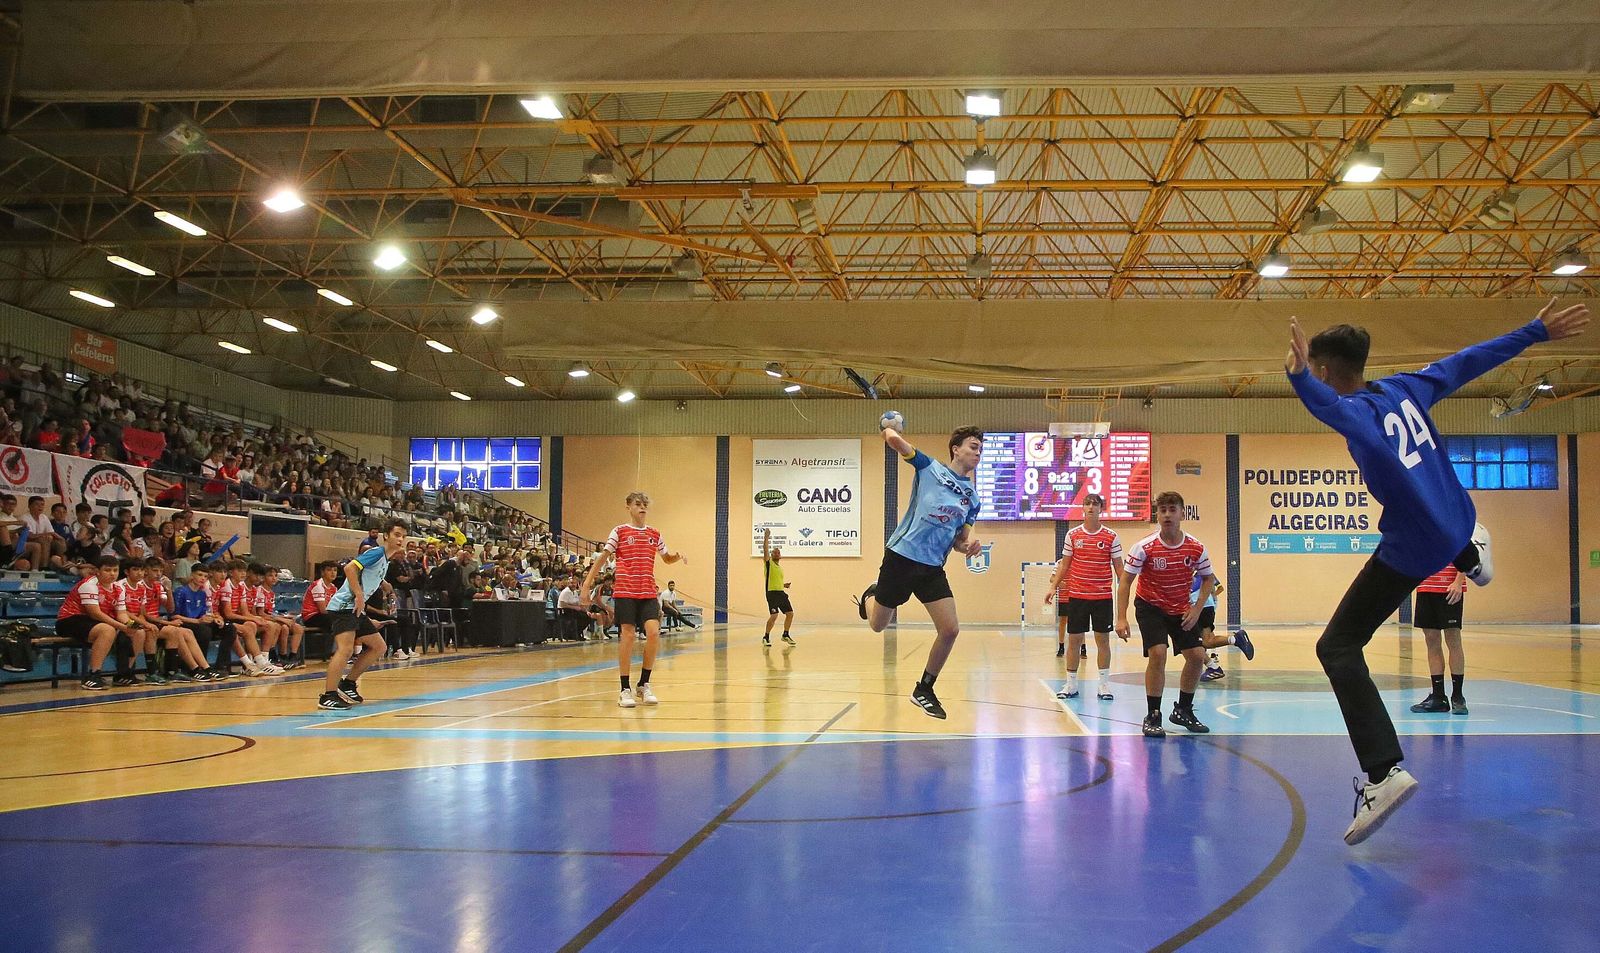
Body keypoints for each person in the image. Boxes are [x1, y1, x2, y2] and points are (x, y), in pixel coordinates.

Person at [1285, 298, 1588, 844]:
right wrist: (1534, 330)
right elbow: (1469, 360)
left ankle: (1384, 773)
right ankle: (1469, 552)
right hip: (1455, 521)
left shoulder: (1358, 413)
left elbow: (1323, 404)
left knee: (1337, 646)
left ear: (1328, 370)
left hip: (1416, 544)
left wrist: (1299, 376)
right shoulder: (1405, 387)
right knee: (1441, 534)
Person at [853, 418, 984, 720]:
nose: (978, 453)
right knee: (878, 625)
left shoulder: (972, 499)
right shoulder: (930, 467)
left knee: (950, 629)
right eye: (973, 447)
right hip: (902, 557)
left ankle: (924, 688)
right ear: (956, 449)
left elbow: (959, 541)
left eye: (980, 449)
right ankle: (871, 596)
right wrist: (888, 427)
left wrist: (969, 547)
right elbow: (894, 441)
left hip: (932, 568)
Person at [1116, 491, 1215, 738]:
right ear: (1157, 515)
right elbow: (1125, 581)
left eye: (1172, 510)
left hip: (1180, 608)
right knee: (1158, 654)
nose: (1167, 515)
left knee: (1197, 656)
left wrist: (1197, 609)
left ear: (1182, 513)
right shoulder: (1144, 547)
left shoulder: (1195, 547)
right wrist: (1121, 617)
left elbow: (1208, 579)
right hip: (1150, 607)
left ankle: (1183, 710)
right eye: (1162, 511)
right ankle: (1153, 715)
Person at [580, 492, 686, 709]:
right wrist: (586, 585)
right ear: (628, 506)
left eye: (645, 504)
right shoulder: (619, 531)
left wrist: (676, 556)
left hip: (647, 592)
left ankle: (644, 684)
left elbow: (666, 558)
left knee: (653, 633)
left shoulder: (654, 533)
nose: (642, 507)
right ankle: (624, 689)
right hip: (626, 592)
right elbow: (602, 559)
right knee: (627, 636)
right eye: (637, 504)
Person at [318, 519, 409, 710]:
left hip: (355, 610)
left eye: (403, 536)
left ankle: (348, 683)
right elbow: (349, 568)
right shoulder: (376, 552)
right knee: (345, 650)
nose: (400, 539)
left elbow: (369, 574)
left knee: (379, 646)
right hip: (344, 606)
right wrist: (359, 594)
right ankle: (328, 695)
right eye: (397, 535)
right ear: (386, 536)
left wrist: (384, 584)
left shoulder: (385, 559)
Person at [1047, 494, 1125, 701]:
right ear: (1082, 508)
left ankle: (1104, 685)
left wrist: (1128, 591)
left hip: (1102, 598)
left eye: (1095, 504)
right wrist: (1053, 587)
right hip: (1078, 597)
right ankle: (1071, 684)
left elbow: (1120, 569)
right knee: (1074, 640)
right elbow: (1064, 565)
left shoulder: (1111, 536)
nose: (1091, 507)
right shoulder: (1072, 535)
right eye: (1087, 504)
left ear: (1101, 508)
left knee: (1103, 641)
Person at [55, 555, 129, 690]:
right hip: (69, 620)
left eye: (115, 570)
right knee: (107, 630)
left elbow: (122, 614)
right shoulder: (89, 585)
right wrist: (121, 626)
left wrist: (131, 625)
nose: (112, 574)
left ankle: (125, 674)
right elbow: (94, 613)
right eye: (107, 570)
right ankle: (93, 675)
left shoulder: (119, 588)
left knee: (138, 632)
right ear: (97, 571)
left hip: (91, 621)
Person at [1409, 565, 1468, 715]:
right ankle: (1438, 696)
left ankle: (1458, 696)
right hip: (1425, 588)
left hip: (1449, 588)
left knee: (1453, 638)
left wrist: (1458, 582)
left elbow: (1467, 557)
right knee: (1431, 640)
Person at [762, 528, 795, 646]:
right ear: (771, 555)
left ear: (780, 556)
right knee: (774, 615)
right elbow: (765, 549)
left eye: (778, 552)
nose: (776, 553)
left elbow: (776, 580)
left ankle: (785, 635)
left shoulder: (780, 568)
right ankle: (766, 637)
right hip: (772, 594)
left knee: (790, 614)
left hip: (781, 593)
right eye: (774, 552)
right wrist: (766, 537)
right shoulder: (768, 563)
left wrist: (783, 585)